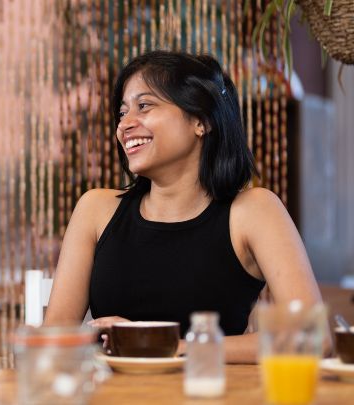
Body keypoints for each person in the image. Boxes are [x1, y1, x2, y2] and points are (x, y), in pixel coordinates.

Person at [43, 51, 323, 363]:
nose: (125, 125)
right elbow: (55, 336)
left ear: (201, 121)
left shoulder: (254, 211)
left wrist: (168, 345)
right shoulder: (95, 210)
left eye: (144, 106)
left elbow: (312, 336)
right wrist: (101, 338)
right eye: (122, 113)